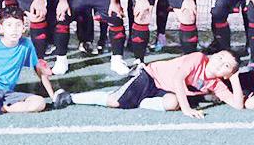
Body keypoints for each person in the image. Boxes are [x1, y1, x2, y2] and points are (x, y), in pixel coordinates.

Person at [71, 49, 242, 119]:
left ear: (227, 74)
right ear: (214, 55)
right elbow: (178, 79)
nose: (220, 63)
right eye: (220, 57)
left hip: (164, 89)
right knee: (115, 102)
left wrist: (234, 79)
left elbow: (238, 105)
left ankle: (138, 101)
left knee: (172, 103)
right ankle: (70, 97)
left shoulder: (216, 85)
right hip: (150, 76)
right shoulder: (198, 58)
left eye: (226, 66)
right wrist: (187, 109)